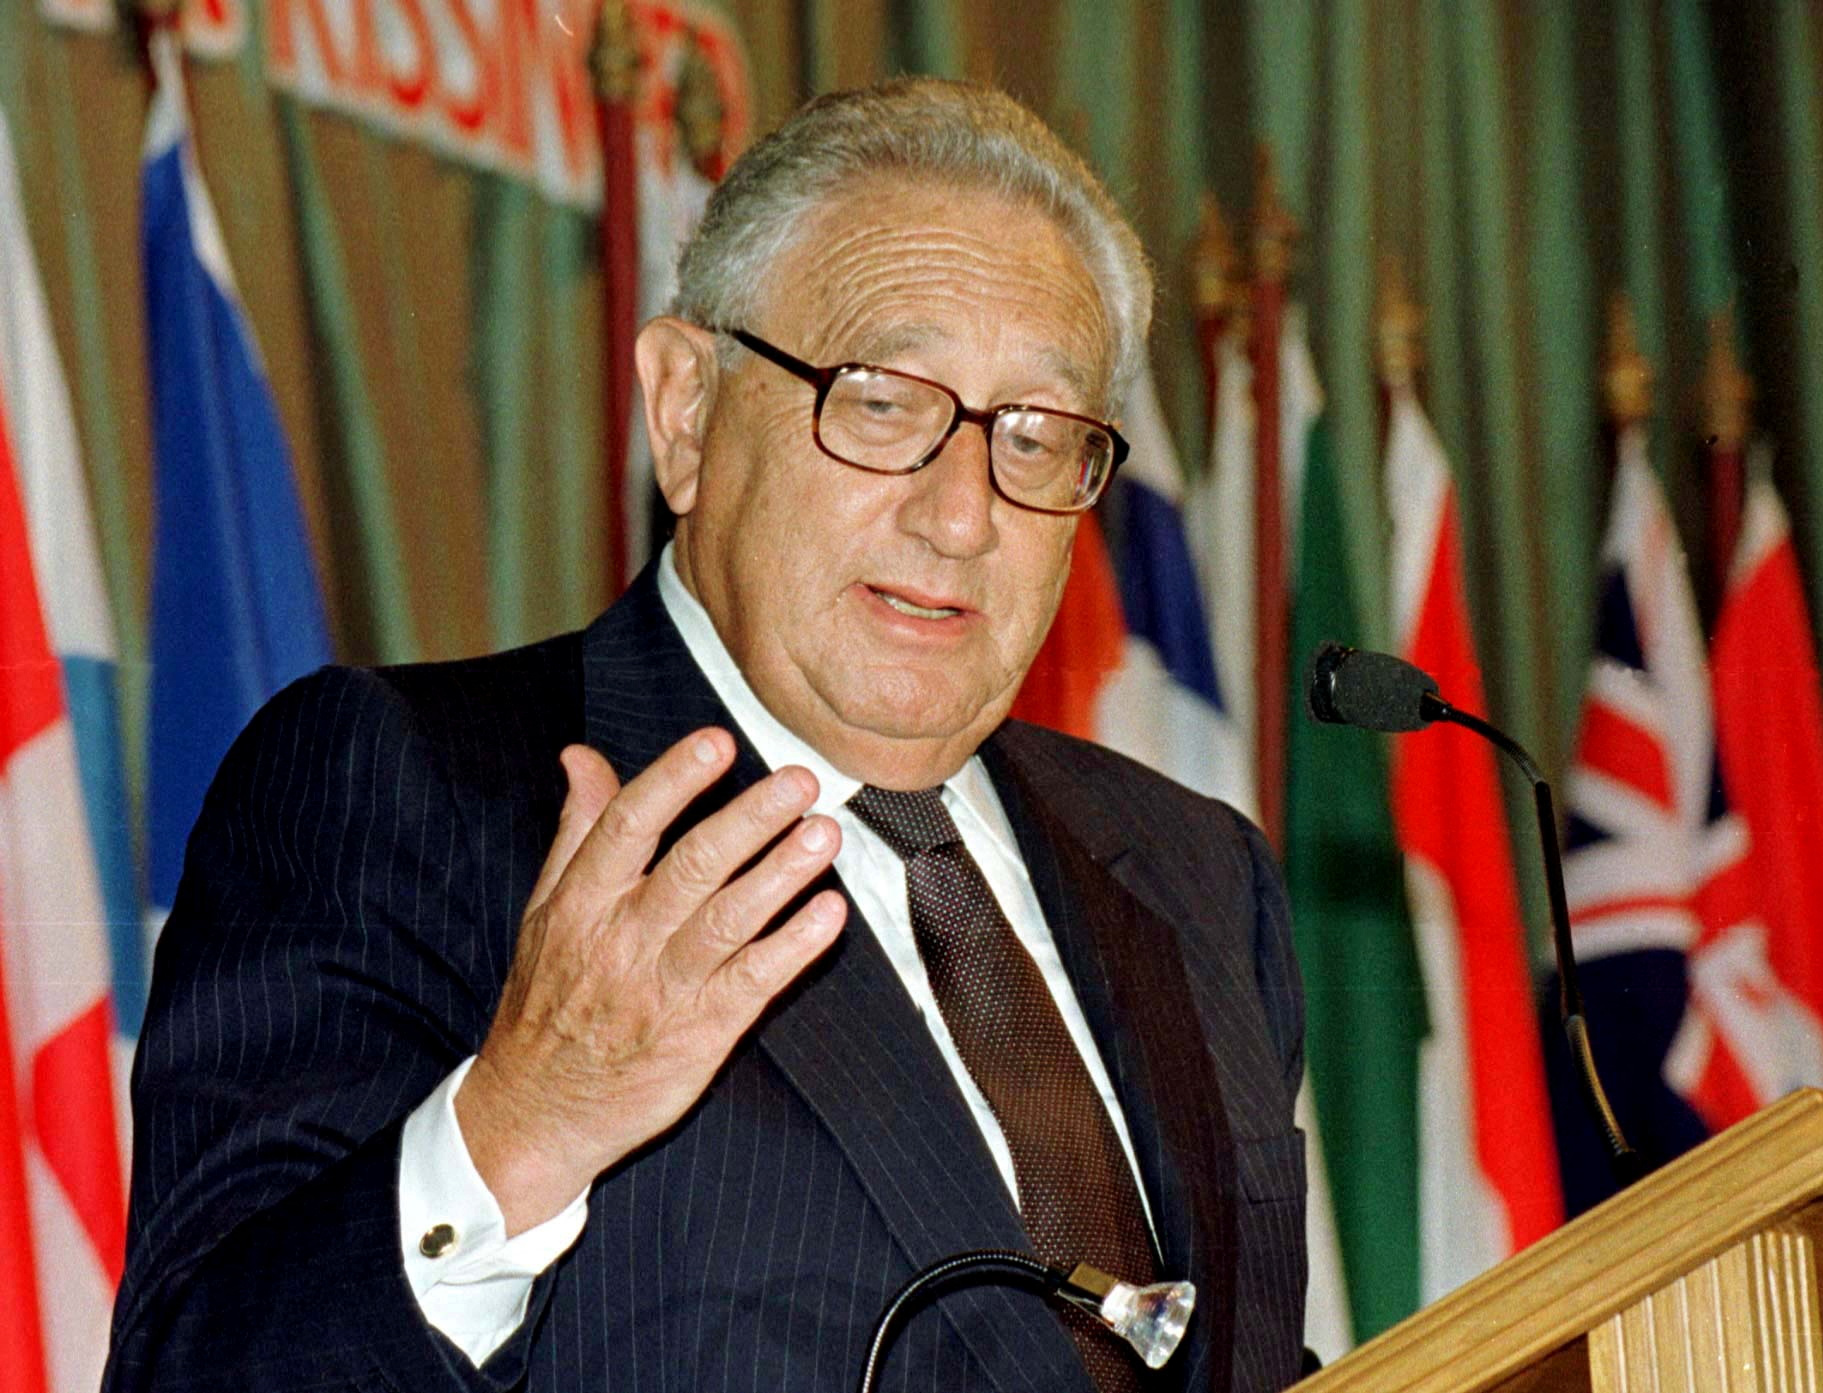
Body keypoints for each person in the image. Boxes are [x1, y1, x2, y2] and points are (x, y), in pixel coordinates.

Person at [106, 78, 1308, 1393]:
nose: (964, 515)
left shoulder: (1200, 876)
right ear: (685, 411)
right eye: (884, 400)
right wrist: (516, 1129)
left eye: (1036, 434)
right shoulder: (404, 792)